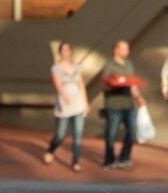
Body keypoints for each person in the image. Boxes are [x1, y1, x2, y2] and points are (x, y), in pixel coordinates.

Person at [42, 41, 89, 172]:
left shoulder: (76, 67)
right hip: (64, 105)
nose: (66, 52)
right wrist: (64, 96)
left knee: (78, 135)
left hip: (77, 104)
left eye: (68, 50)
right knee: (61, 134)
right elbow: (58, 85)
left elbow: (81, 85)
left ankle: (75, 162)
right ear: (60, 52)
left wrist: (85, 102)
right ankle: (51, 149)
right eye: (63, 50)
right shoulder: (56, 68)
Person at [100, 40, 144, 170]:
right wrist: (114, 84)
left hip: (128, 104)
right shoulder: (109, 66)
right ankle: (109, 161)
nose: (127, 51)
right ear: (116, 50)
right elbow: (104, 85)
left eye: (127, 49)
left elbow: (132, 83)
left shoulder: (129, 64)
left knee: (132, 131)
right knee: (111, 134)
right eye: (124, 49)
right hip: (114, 105)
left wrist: (138, 97)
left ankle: (124, 158)